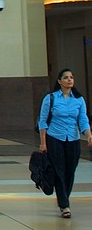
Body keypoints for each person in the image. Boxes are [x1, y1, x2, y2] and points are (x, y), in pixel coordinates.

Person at [38, 68, 92, 219]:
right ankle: (64, 205)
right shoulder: (50, 98)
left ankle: (64, 198)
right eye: (66, 77)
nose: (69, 80)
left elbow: (82, 119)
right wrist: (43, 143)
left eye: (71, 77)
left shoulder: (78, 99)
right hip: (54, 138)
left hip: (73, 139)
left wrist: (88, 135)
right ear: (59, 81)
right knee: (58, 170)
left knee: (70, 170)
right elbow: (42, 121)